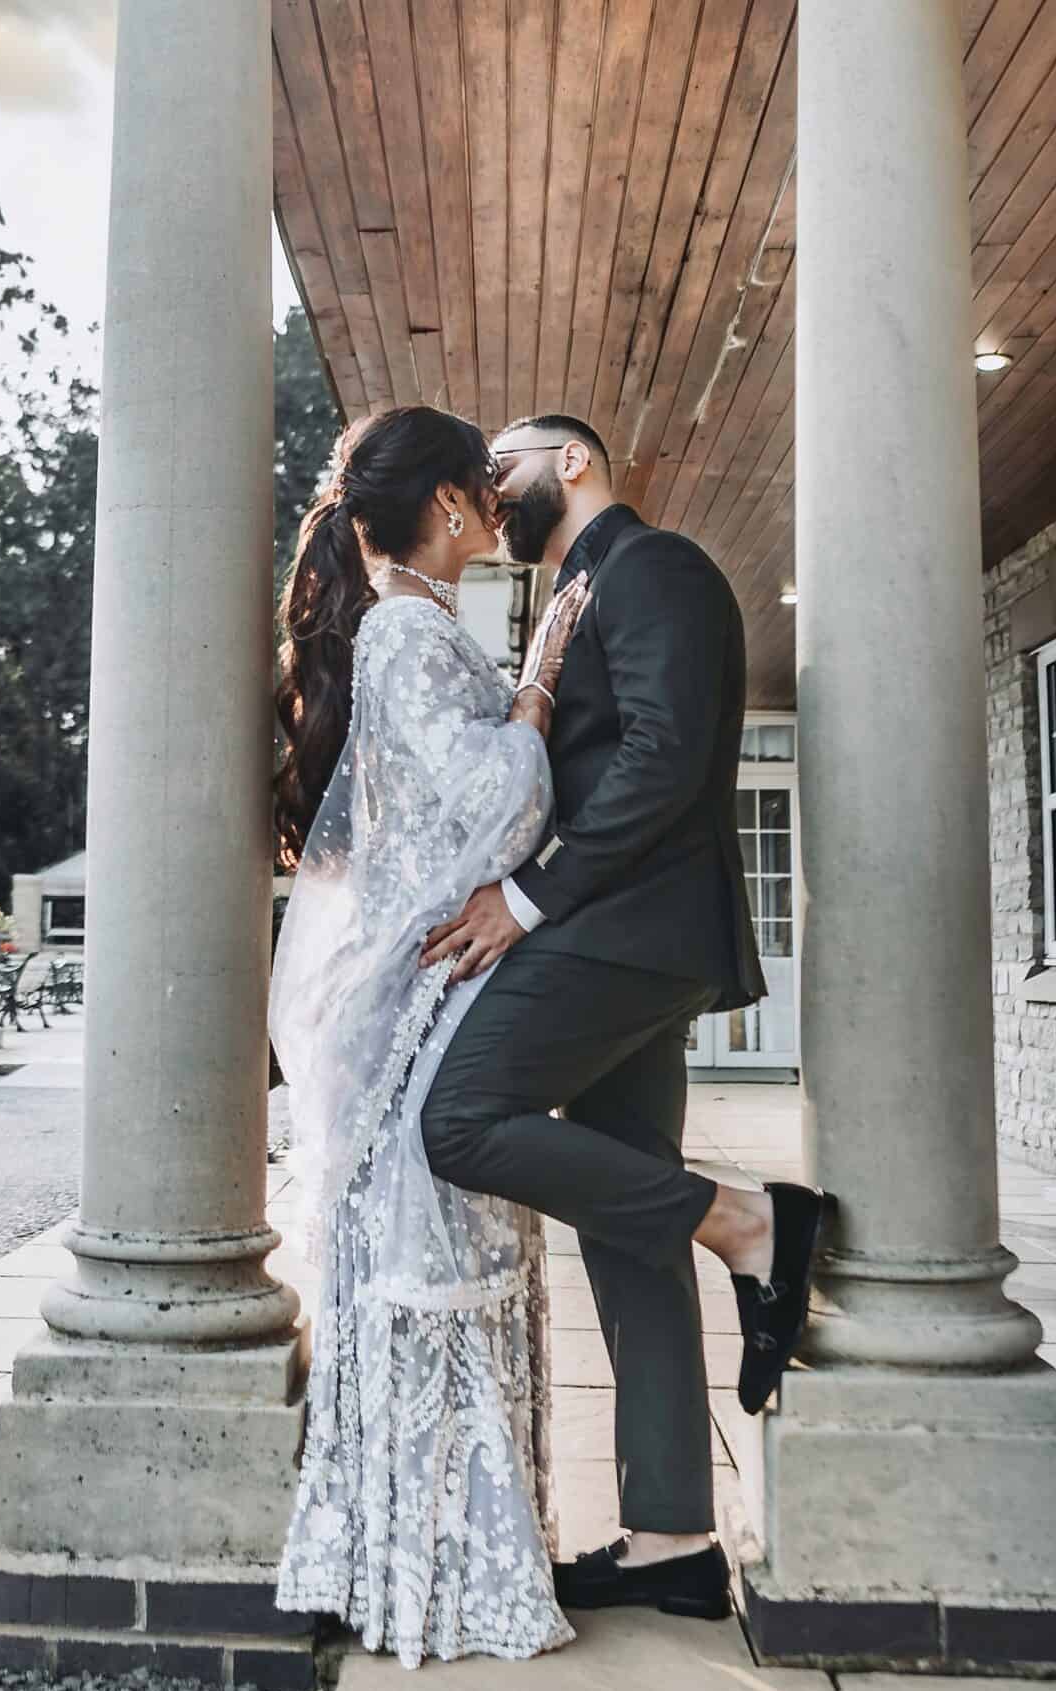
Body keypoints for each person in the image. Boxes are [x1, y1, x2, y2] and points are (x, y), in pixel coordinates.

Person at [416, 413, 828, 1623]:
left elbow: (662, 754)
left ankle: (751, 1223)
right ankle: (671, 1541)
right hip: (624, 932)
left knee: (460, 1117)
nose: (489, 488)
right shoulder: (572, 594)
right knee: (625, 1222)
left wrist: (526, 898)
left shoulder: (655, 566)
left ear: (574, 461)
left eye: (503, 463)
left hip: (629, 931)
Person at [267, 405, 592, 1665]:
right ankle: (435, 1578)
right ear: (449, 504)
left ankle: (439, 1561)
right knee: (432, 1271)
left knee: (446, 1266)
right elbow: (495, 809)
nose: (501, 505)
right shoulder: (406, 632)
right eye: (485, 485)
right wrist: (539, 684)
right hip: (418, 1006)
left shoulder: (410, 624)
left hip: (428, 990)